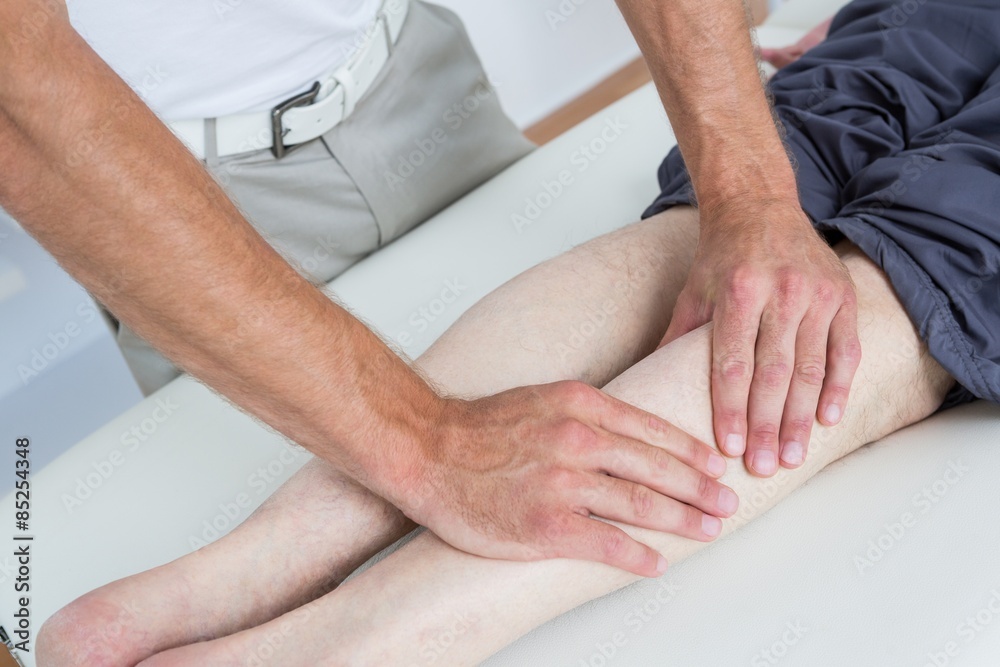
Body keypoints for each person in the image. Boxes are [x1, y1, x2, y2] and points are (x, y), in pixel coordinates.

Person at [36, 0, 1000, 663]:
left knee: (748, 209)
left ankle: (204, 592)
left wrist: (749, 192)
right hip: (146, 132)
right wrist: (426, 444)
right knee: (920, 261)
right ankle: (332, 649)